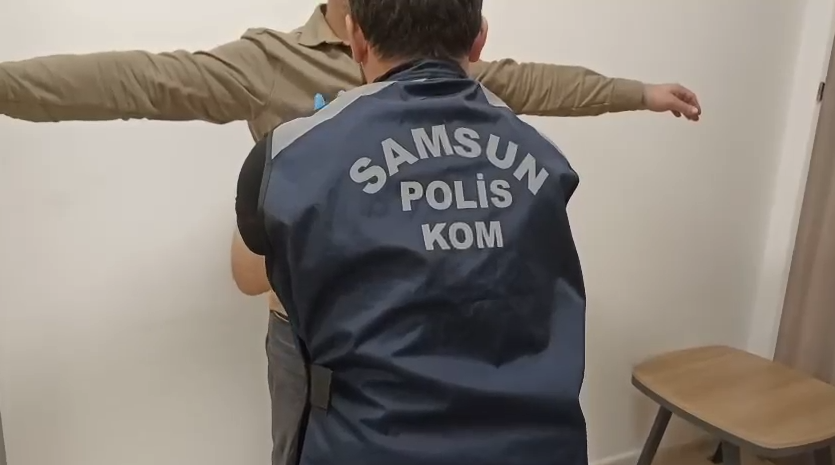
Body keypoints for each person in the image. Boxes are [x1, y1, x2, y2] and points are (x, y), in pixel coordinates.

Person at [0, 2, 700, 464]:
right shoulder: (271, 62)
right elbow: (141, 80)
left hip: (427, 308)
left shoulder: (435, 48)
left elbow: (538, 83)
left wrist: (639, 93)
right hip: (307, 327)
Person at [234, 0, 672, 463]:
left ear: (356, 38)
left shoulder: (291, 158)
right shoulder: (545, 161)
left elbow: (247, 273)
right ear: (479, 39)